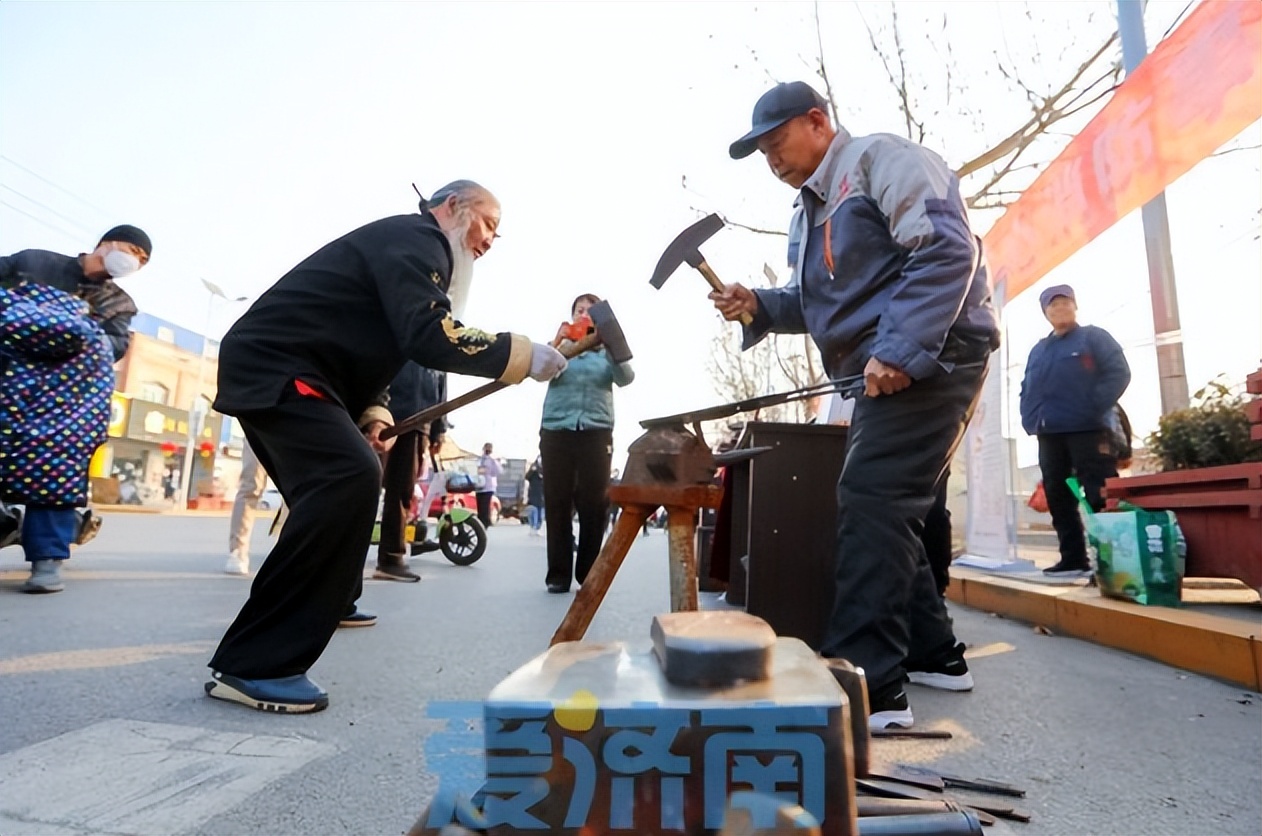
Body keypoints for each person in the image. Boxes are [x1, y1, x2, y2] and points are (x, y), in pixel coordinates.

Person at [203, 180, 567, 714]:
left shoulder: (411, 248)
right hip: (280, 363)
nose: (491, 240)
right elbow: (428, 334)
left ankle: (325, 604)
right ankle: (256, 664)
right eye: (489, 224)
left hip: (297, 370)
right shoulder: (420, 240)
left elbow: (374, 342)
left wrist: (374, 411)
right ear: (452, 207)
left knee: (336, 493)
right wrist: (518, 354)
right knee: (347, 477)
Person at [712, 81, 1000, 729]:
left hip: (936, 350)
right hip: (881, 364)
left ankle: (867, 685)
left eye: (777, 142)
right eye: (762, 152)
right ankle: (935, 655)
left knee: (872, 499)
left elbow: (946, 248)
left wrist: (899, 349)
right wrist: (759, 305)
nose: (771, 160)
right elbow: (816, 304)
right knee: (890, 505)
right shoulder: (806, 214)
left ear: (818, 122)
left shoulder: (881, 160)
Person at [0, 282, 114, 593]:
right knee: (52, 491)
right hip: (66, 437)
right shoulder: (94, 336)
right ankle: (46, 567)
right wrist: (89, 437)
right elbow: (101, 396)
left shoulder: (8, 320)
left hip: (11, 426)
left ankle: (11, 524)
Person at [1019, 284, 1131, 578]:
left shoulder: (1094, 337)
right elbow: (1027, 387)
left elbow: (1119, 372)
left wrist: (1092, 406)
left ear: (1075, 306)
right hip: (1049, 433)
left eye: (1065, 303)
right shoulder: (1039, 350)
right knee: (1058, 495)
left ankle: (1113, 563)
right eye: (1053, 305)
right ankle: (1073, 559)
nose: (1060, 309)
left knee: (1099, 492)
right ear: (1045, 312)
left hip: (1089, 430)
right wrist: (1029, 417)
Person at [539, 293, 635, 594]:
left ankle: (589, 573)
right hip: (556, 428)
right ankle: (558, 575)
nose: (584, 315)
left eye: (590, 312)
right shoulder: (558, 350)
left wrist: (610, 348)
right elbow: (539, 372)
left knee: (595, 504)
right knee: (557, 502)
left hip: (596, 430)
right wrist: (558, 342)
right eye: (579, 310)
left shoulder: (605, 353)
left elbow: (626, 377)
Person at [0, 224, 152, 362]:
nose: (135, 261)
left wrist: (83, 336)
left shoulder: (120, 304)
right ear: (106, 243)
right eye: (133, 251)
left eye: (142, 260)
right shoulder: (36, 260)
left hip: (42, 372)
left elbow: (116, 346)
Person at [371, 363, 447, 582]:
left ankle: (391, 557)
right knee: (364, 484)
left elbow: (441, 388)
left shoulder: (438, 347)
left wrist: (438, 430)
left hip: (418, 422)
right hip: (384, 416)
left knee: (402, 491)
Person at [225, 438, 269, 575]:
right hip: (260, 429)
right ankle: (238, 551)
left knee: (295, 490)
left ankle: (290, 551)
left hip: (299, 429)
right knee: (251, 485)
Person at [474, 442, 501, 526]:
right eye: (486, 448)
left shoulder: (492, 460)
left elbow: (497, 472)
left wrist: (487, 472)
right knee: (480, 507)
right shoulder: (479, 459)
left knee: (485, 506)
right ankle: (480, 523)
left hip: (488, 487)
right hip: (479, 487)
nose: (487, 450)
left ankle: (485, 523)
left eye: (489, 448)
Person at [524, 456, 545, 537]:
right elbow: (527, 477)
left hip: (542, 494)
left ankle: (537, 528)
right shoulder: (533, 468)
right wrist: (532, 470)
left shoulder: (545, 468)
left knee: (540, 513)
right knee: (533, 511)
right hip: (533, 493)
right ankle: (533, 527)